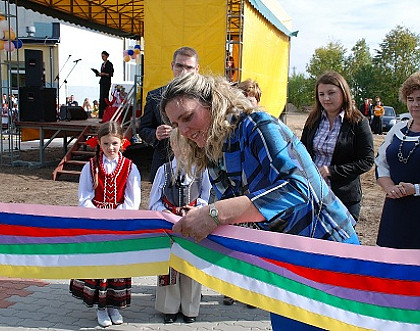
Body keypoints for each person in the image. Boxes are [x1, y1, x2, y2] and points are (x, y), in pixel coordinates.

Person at [159, 73, 359, 330]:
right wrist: (192, 217)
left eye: (188, 117)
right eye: (176, 124)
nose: (184, 131)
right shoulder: (215, 145)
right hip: (285, 257)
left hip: (326, 250)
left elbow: (297, 188)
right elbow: (236, 204)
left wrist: (214, 213)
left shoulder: (256, 124)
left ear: (214, 103)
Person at [70, 121, 141, 327]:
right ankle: (101, 308)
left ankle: (114, 306)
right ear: (99, 144)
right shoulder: (90, 167)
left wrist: (118, 217)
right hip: (97, 224)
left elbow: (133, 198)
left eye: (115, 143)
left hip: (119, 223)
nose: (111, 147)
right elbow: (84, 197)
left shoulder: (130, 167)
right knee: (100, 265)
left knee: (117, 265)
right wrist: (97, 216)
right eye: (106, 143)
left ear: (122, 143)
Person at [149, 128, 211, 324]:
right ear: (172, 146)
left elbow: (206, 196)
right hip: (170, 227)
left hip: (193, 225)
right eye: (179, 145)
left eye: (187, 146)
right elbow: (154, 201)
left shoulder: (201, 170)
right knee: (170, 267)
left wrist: (197, 210)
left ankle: (190, 308)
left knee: (191, 265)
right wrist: (164, 212)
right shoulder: (163, 171)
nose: (183, 150)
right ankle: (169, 307)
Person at [301, 71, 374, 222]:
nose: (326, 98)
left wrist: (332, 171)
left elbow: (366, 161)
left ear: (343, 93)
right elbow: (302, 151)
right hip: (313, 193)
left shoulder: (358, 122)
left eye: (331, 93)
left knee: (338, 244)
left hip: (343, 199)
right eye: (321, 94)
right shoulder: (313, 119)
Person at [138, 46, 200, 182]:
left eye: (189, 67)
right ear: (172, 66)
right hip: (163, 164)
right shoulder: (155, 96)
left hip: (198, 164)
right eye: (179, 66)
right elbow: (143, 129)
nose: (183, 72)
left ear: (197, 69)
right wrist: (155, 134)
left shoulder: (205, 97)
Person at [375, 71, 420, 249]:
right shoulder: (398, 129)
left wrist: (415, 189)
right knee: (391, 267)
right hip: (396, 209)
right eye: (410, 99)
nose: (415, 104)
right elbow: (381, 162)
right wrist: (389, 187)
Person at [97, 51, 114, 119]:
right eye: (102, 56)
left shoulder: (109, 64)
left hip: (106, 82)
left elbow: (110, 74)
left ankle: (105, 113)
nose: (102, 58)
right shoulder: (102, 64)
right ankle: (101, 114)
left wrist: (103, 74)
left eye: (103, 56)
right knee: (101, 97)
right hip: (102, 81)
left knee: (105, 97)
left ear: (107, 56)